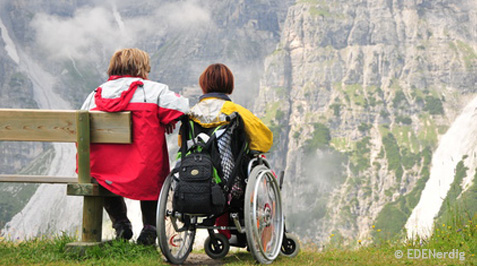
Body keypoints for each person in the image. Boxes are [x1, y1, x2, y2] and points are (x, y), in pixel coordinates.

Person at [80, 48, 189, 245]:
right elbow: (182, 109)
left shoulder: (96, 94)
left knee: (101, 175)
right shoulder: (154, 91)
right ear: (142, 67)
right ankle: (149, 229)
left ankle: (121, 224)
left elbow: (79, 131)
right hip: (143, 169)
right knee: (152, 173)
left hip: (104, 170)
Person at [188, 63, 273, 241]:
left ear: (203, 84)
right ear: (229, 85)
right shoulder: (235, 112)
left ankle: (223, 233)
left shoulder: (191, 114)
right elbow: (264, 140)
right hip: (230, 184)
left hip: (193, 179)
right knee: (257, 165)